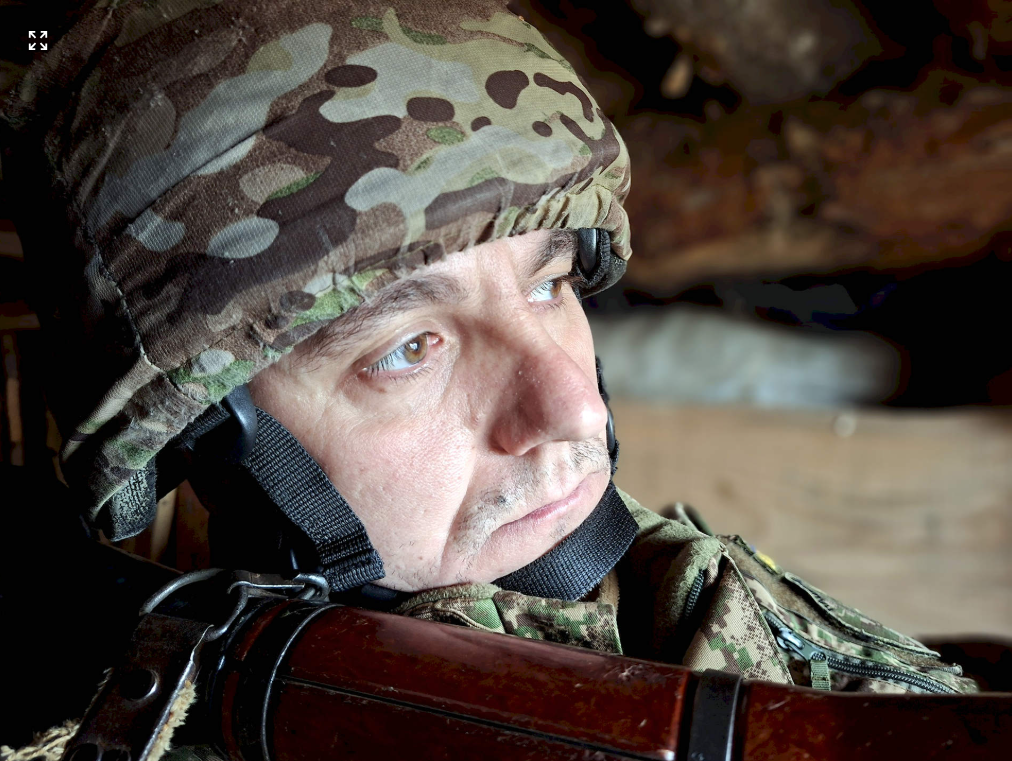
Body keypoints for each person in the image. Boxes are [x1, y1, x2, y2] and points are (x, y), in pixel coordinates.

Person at [0, 0, 979, 752]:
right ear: (201, 430)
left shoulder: (690, 605)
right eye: (409, 348)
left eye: (549, 284)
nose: (573, 406)